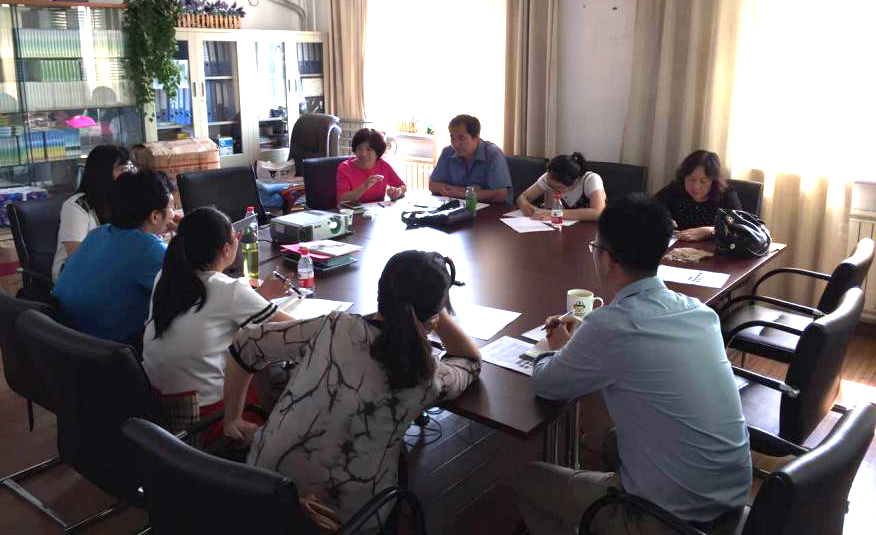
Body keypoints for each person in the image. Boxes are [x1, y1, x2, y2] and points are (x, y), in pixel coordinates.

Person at [512, 194, 751, 535]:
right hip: (731, 502)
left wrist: (557, 346)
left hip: (670, 522)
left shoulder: (611, 326)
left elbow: (546, 383)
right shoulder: (700, 313)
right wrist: (586, 341)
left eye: (595, 247)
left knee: (528, 481)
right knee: (601, 439)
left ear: (607, 258)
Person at [222, 250, 482, 523]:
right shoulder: (426, 376)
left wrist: (233, 417)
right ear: (432, 318)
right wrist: (438, 310)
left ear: (382, 291)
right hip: (340, 521)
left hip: (260, 492)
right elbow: (471, 361)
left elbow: (246, 342)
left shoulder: (334, 327)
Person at [142, 206, 295, 419]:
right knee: (265, 368)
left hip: (158, 411)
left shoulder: (166, 277)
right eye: (236, 236)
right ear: (226, 249)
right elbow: (298, 332)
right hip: (207, 416)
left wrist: (261, 296)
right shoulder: (228, 289)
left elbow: (208, 316)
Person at [53, 170, 176, 345]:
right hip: (104, 351)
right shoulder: (150, 249)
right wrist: (189, 235)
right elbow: (194, 291)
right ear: (155, 216)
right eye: (172, 207)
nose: (174, 214)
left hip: (62, 340)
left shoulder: (98, 233)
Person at [52, 145, 134, 280]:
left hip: (113, 271)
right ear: (103, 173)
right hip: (74, 278)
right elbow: (78, 257)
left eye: (131, 168)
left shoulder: (122, 201)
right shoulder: (76, 206)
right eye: (123, 169)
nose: (129, 174)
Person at [654, 150, 741, 241]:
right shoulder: (675, 189)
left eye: (703, 181)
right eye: (691, 180)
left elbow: (739, 226)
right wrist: (661, 220)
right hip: (677, 245)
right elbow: (648, 209)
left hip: (712, 248)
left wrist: (712, 231)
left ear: (713, 181)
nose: (696, 187)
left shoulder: (726, 195)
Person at [428, 114, 511, 203]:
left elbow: (501, 194)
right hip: (458, 206)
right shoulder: (448, 152)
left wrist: (460, 193)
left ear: (476, 137)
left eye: (461, 138)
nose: (455, 144)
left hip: (491, 209)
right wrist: (471, 191)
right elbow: (433, 185)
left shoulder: (493, 154)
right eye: (452, 137)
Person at [516, 152, 606, 221]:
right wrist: (524, 205)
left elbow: (598, 212)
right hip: (559, 228)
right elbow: (522, 197)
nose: (552, 189)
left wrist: (554, 213)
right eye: (550, 186)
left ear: (573, 182)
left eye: (557, 188)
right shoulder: (549, 177)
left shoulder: (591, 179)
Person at [336, 128, 406, 204]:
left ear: (377, 152)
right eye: (359, 149)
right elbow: (341, 199)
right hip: (352, 211)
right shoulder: (345, 168)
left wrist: (397, 192)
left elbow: (402, 186)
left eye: (369, 149)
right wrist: (364, 187)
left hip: (377, 210)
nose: (363, 154)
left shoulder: (383, 166)